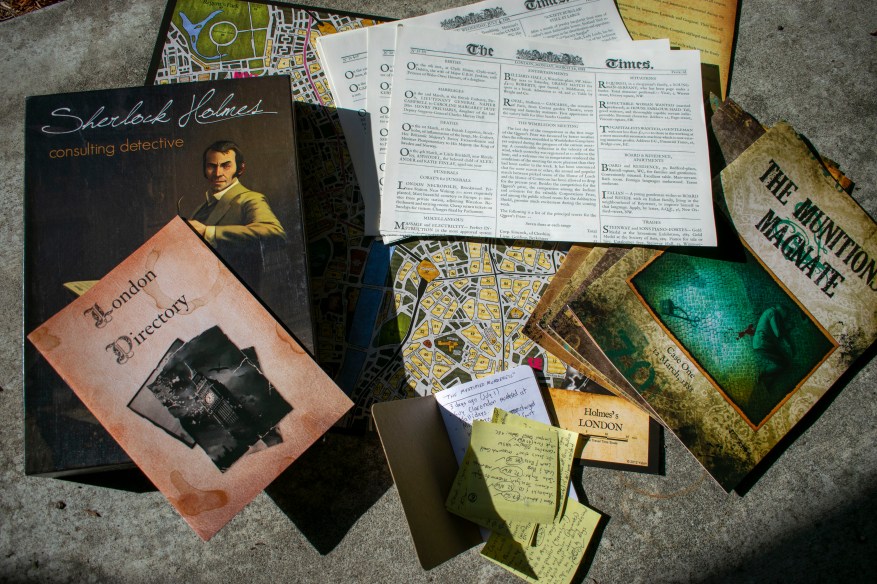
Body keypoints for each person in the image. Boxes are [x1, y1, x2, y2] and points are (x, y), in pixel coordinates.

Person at [188, 140, 286, 287]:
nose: (218, 173)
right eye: (211, 166)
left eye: (226, 166)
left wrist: (209, 232)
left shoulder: (251, 198)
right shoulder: (200, 208)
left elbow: (275, 233)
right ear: (204, 169)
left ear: (240, 169)